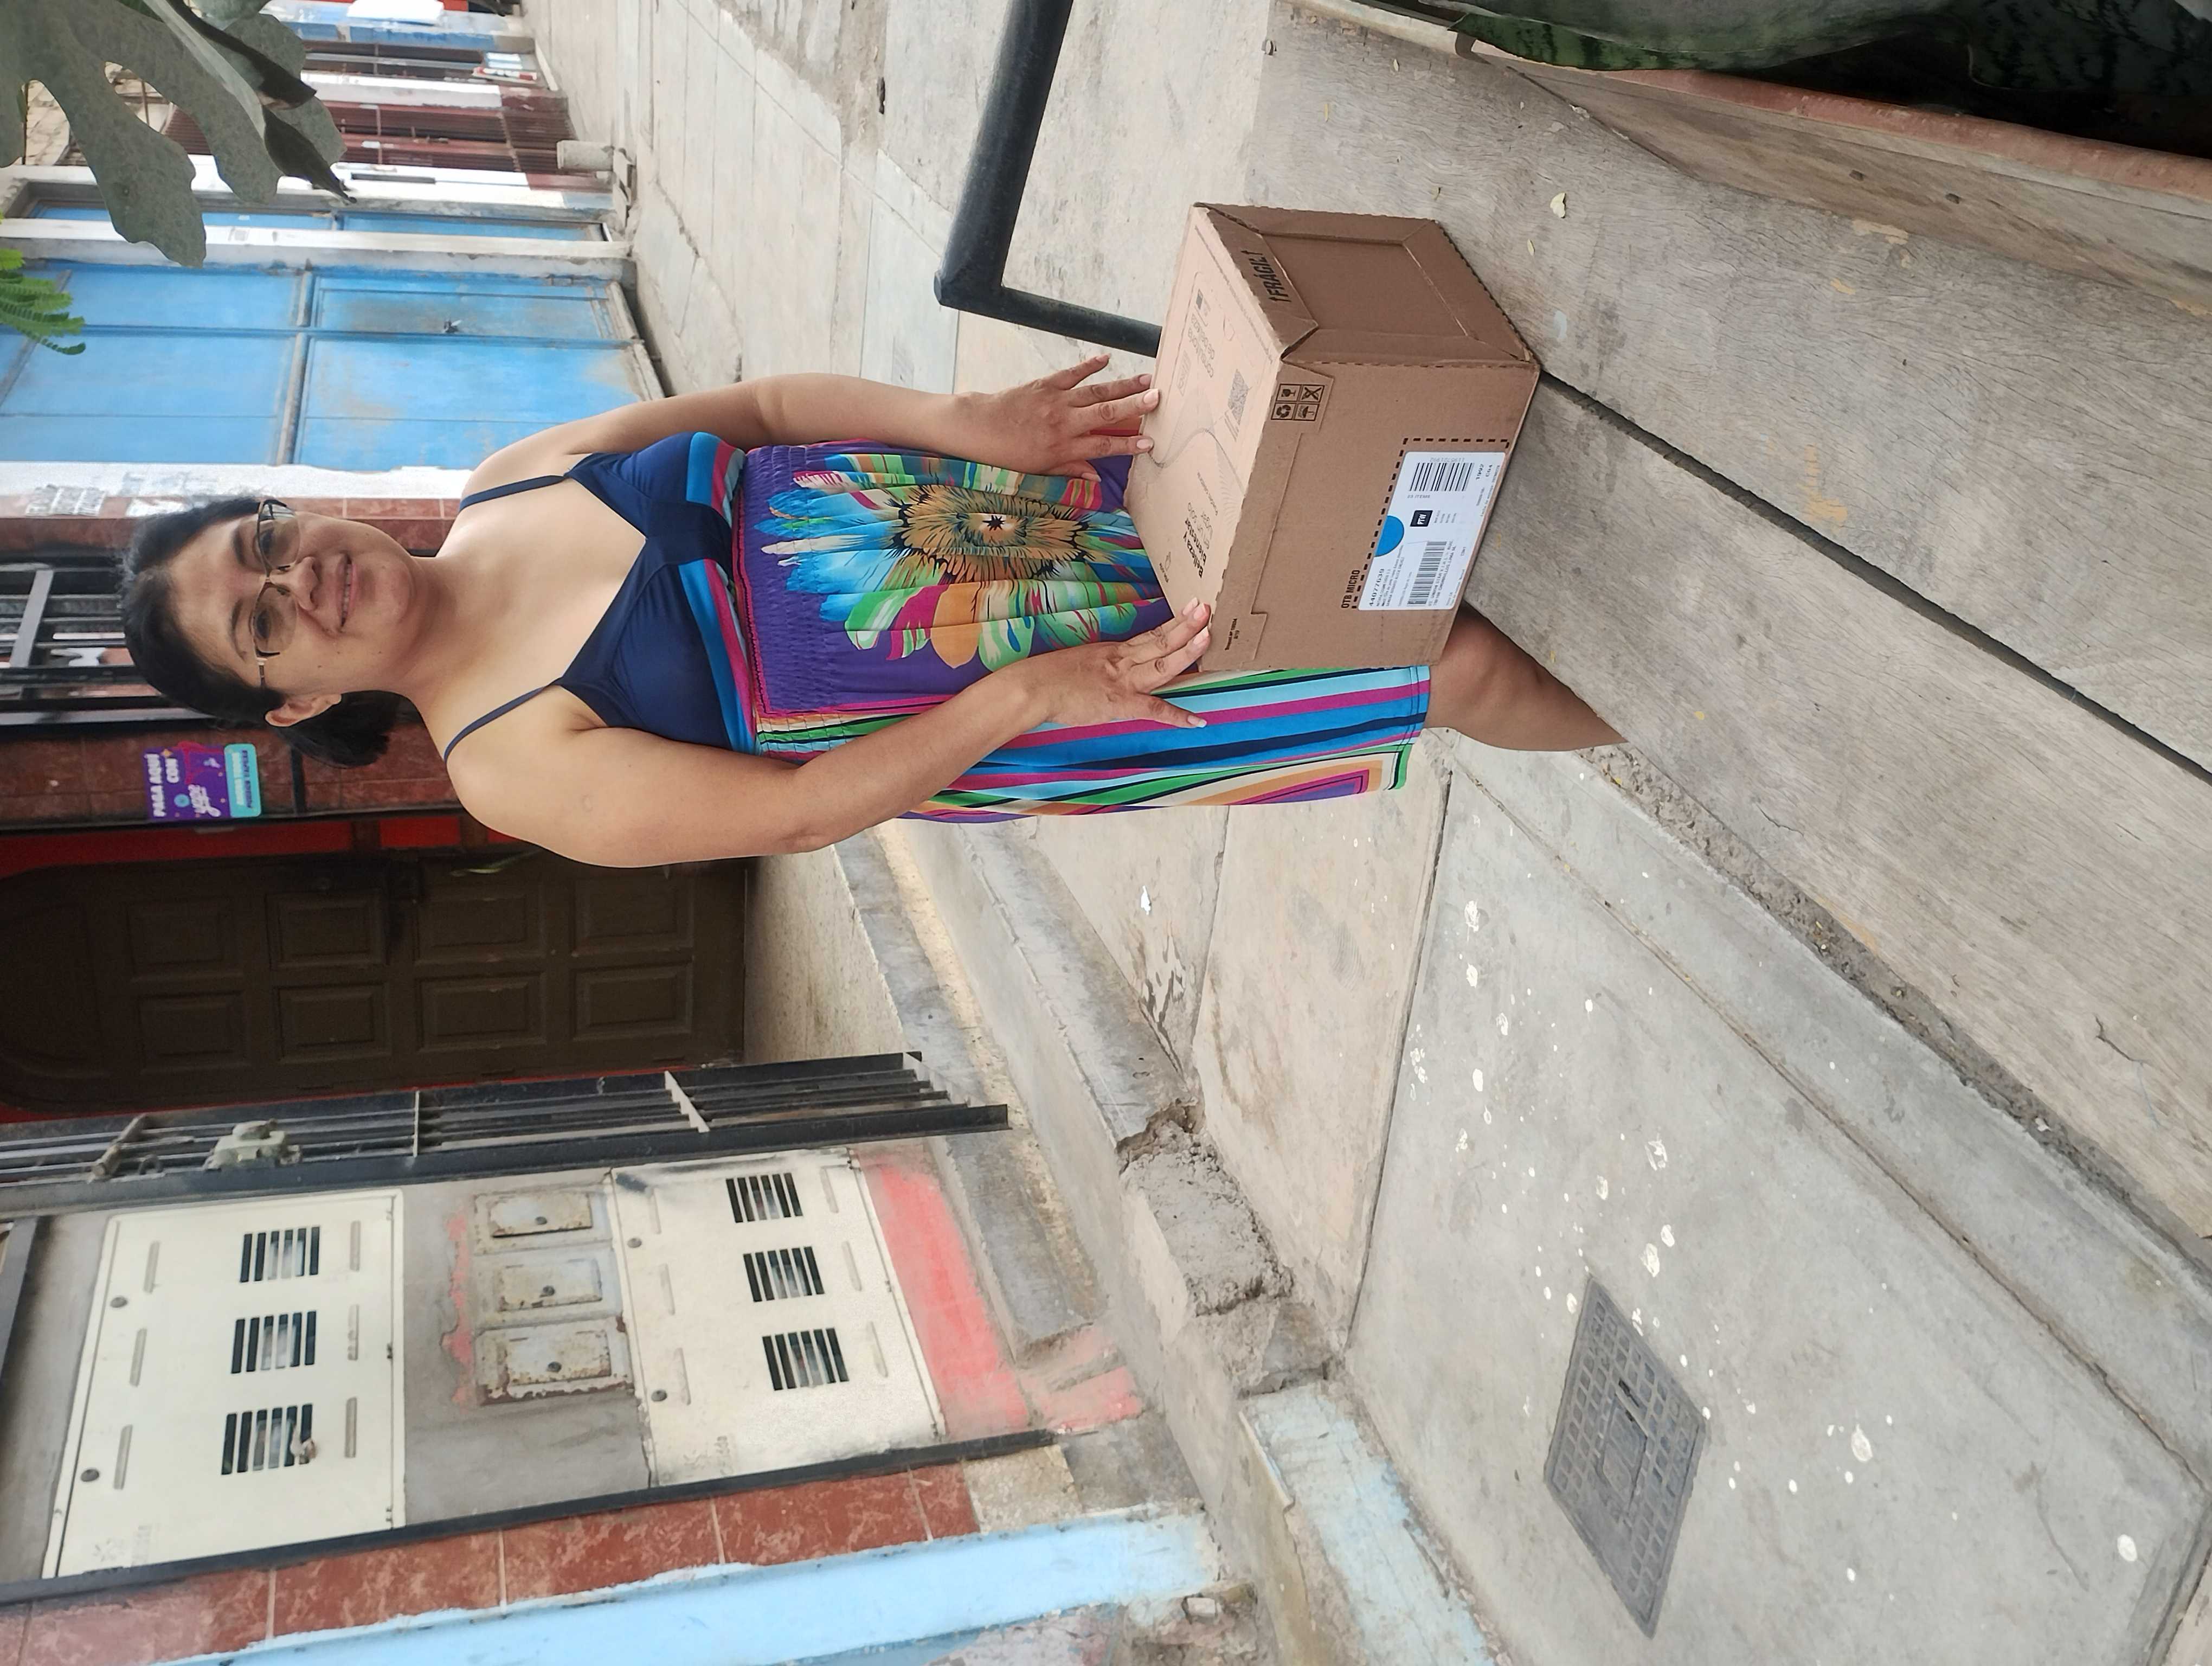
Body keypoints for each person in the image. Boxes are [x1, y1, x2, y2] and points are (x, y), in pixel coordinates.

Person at [119, 358, 1617, 866]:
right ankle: (1677, 731)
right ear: (295, 701)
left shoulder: (512, 480)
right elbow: (796, 814)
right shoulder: (505, 761)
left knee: (1362, 509)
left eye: (265, 542)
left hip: (1026, 509)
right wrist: (1031, 696)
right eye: (263, 624)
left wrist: (970, 423)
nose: (297, 578)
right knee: (1442, 656)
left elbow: (767, 410)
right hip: (1036, 685)